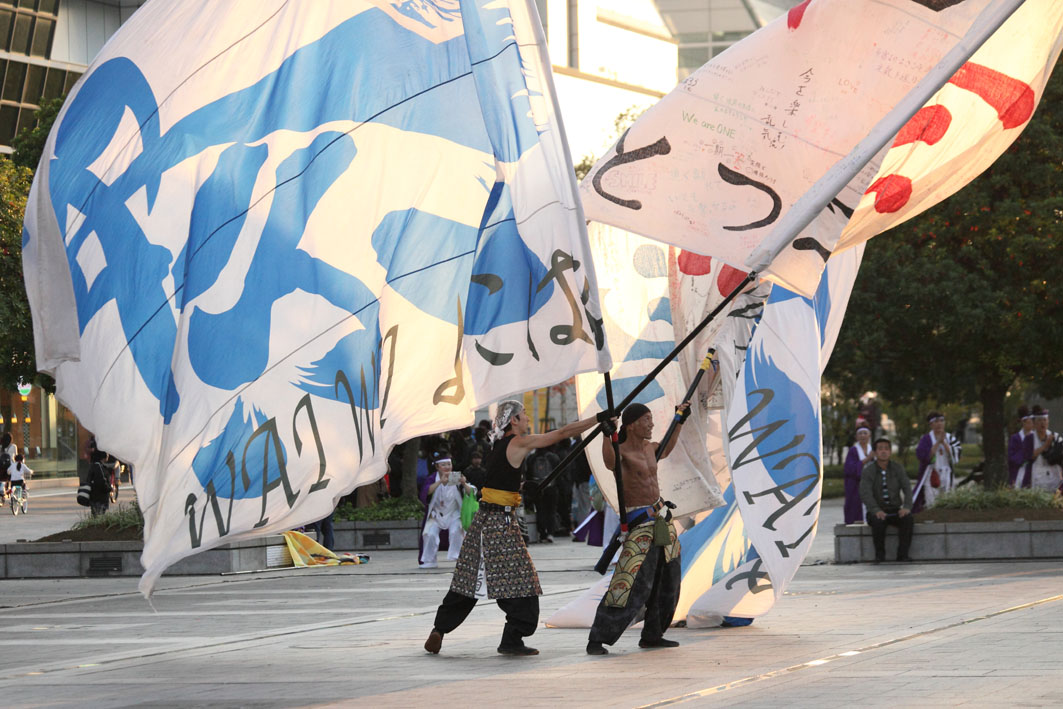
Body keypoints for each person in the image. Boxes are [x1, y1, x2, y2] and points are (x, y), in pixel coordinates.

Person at [424, 401, 601, 657]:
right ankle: (512, 638)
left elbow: (497, 482)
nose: (528, 418)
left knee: (470, 580)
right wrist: (596, 419)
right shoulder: (517, 442)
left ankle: (440, 629)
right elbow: (561, 434)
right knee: (522, 582)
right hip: (499, 525)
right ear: (514, 421)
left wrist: (521, 488)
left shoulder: (498, 445)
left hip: (486, 522)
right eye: (524, 415)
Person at [586, 402, 688, 656]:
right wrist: (606, 433)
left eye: (652, 419)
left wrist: (680, 419)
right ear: (631, 424)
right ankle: (599, 637)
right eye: (646, 419)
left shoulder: (651, 449)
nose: (651, 423)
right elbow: (610, 463)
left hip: (662, 518)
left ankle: (653, 634)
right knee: (630, 581)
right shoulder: (621, 451)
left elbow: (666, 449)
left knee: (669, 579)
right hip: (639, 521)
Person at [859, 437, 914, 563]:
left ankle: (903, 555)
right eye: (880, 449)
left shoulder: (897, 468)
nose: (883, 452)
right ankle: (880, 555)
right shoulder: (869, 471)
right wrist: (875, 509)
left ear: (890, 451)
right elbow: (865, 492)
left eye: (886, 449)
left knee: (908, 519)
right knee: (878, 523)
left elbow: (907, 487)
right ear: (875, 452)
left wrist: (906, 507)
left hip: (894, 509)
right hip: (877, 510)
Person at [418, 453, 470, 569]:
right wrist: (440, 482)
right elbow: (426, 492)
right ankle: (429, 560)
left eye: (449, 464)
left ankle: (458, 557)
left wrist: (463, 483)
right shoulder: (432, 478)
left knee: (456, 531)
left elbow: (470, 493)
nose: (447, 467)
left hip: (454, 514)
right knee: (429, 533)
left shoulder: (455, 477)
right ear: (437, 467)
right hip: (436, 514)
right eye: (443, 465)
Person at [913, 411, 961, 511]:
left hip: (947, 473)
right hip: (931, 473)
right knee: (931, 502)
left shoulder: (950, 438)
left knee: (948, 501)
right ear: (931, 424)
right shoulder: (926, 439)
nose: (939, 424)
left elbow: (956, 455)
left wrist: (943, 443)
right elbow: (924, 457)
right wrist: (937, 442)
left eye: (941, 421)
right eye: (936, 421)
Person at [526, 443, 560, 543]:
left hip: (537, 487)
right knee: (551, 510)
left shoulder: (531, 458)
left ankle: (542, 533)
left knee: (540, 510)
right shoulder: (553, 457)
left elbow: (528, 473)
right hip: (551, 487)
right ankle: (551, 533)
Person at [1023, 406, 1062, 492]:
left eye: (1045, 420)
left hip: (1054, 475)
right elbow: (1030, 456)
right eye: (1039, 420)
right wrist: (1045, 445)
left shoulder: (1056, 437)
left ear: (1048, 422)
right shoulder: (1029, 438)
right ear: (1034, 423)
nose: (1042, 423)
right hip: (1036, 476)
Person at [843, 423, 873, 524]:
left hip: (871, 485)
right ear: (856, 437)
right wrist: (866, 460)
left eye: (865, 433)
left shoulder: (873, 450)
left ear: (869, 435)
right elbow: (849, 469)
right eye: (860, 433)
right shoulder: (853, 450)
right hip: (856, 486)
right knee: (855, 509)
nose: (863, 436)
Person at [1008, 405, 1034, 488]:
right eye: (1029, 422)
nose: (1032, 424)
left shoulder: (1036, 437)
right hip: (1020, 471)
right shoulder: (1015, 438)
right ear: (1023, 422)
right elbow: (1011, 457)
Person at [0, 432, 15, 499]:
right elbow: (15, 457)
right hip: (10, 465)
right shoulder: (14, 446)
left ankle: (3, 488)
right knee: (12, 477)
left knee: (2, 477)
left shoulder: (1, 447)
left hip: (1, 465)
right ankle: (10, 490)